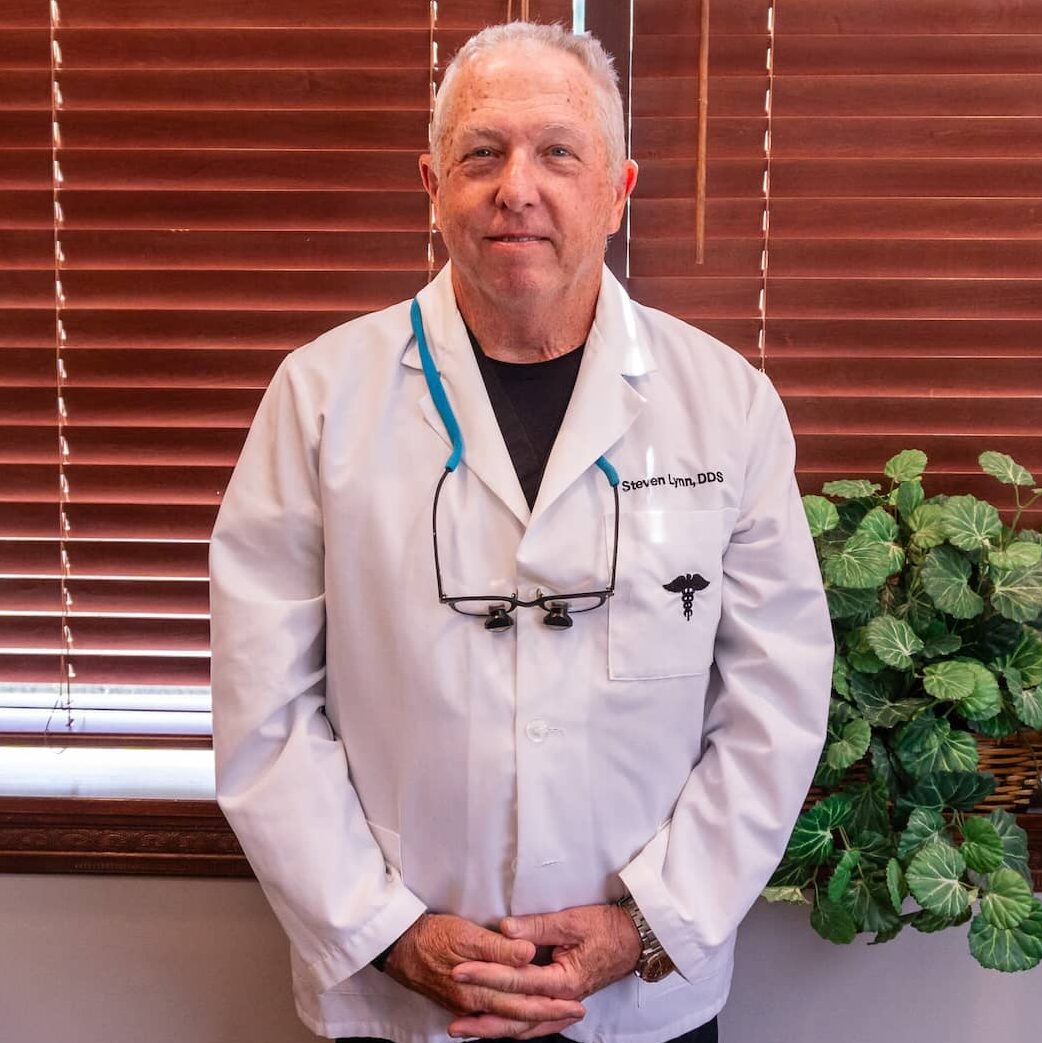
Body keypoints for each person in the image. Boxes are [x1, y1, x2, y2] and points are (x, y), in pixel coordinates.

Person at [209, 20, 834, 1043]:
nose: (517, 186)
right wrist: (392, 931)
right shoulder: (319, 398)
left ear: (618, 186)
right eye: (481, 152)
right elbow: (263, 705)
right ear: (431, 181)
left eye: (557, 150)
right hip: (396, 996)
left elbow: (774, 701)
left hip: (638, 997)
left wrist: (642, 925)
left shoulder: (726, 403)